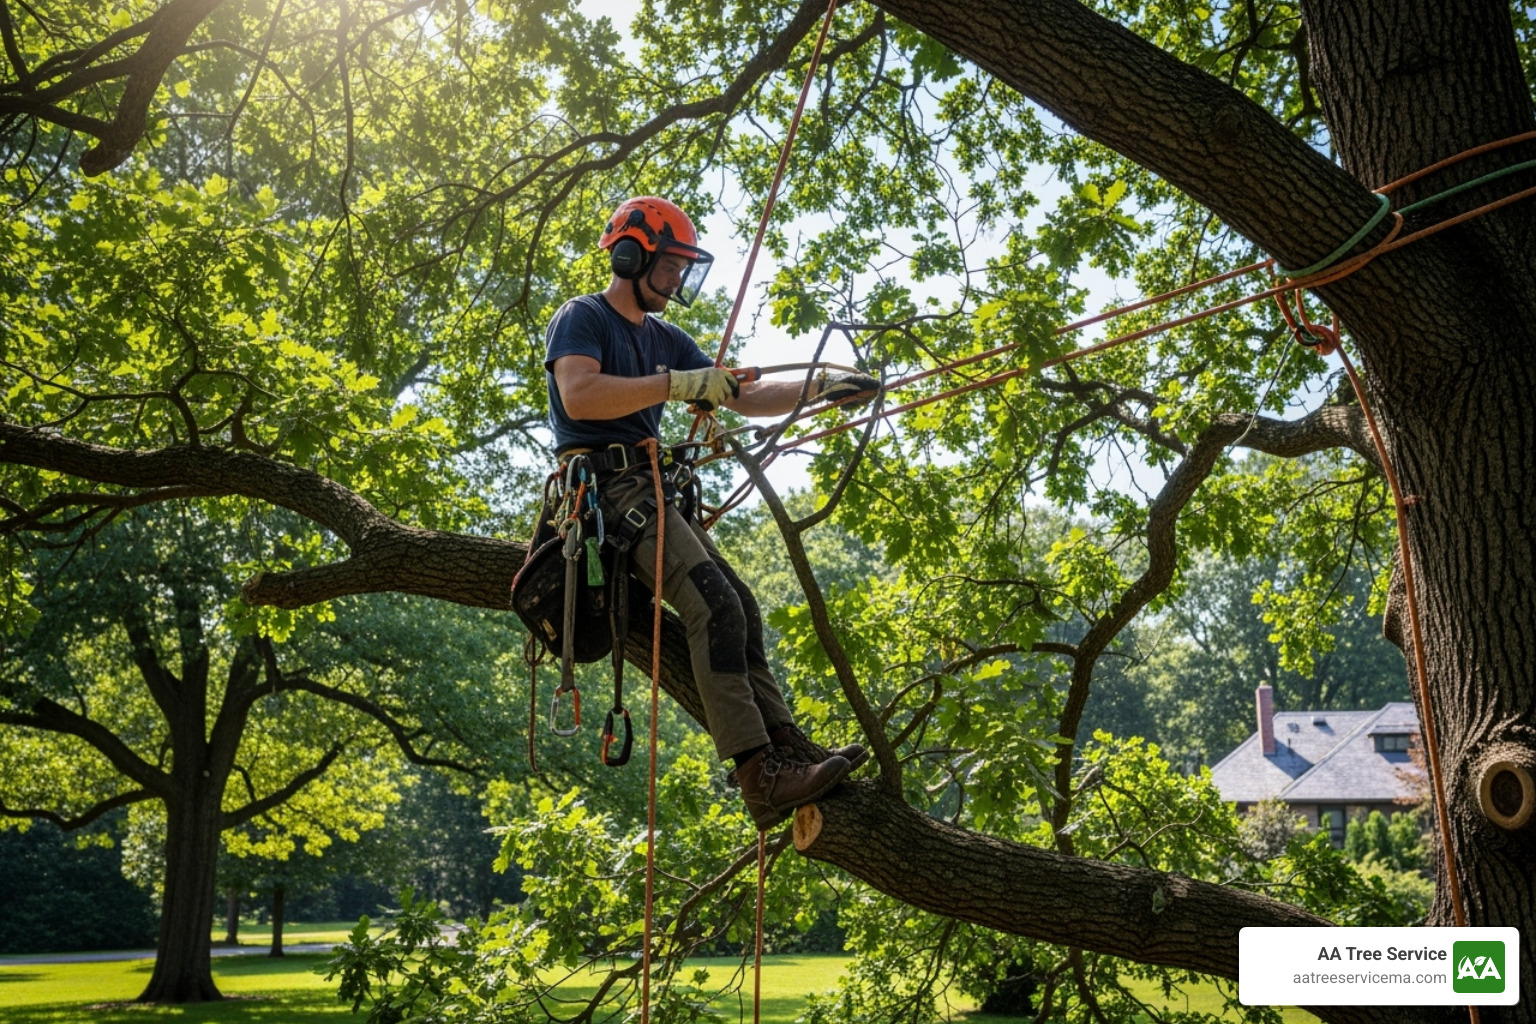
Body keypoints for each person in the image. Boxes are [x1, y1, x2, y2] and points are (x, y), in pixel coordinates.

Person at [543, 196, 879, 829]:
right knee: (712, 604)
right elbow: (580, 394)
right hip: (607, 491)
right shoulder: (582, 318)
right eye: (669, 267)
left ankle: (784, 753)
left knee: (740, 605)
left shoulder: (666, 337)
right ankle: (758, 777)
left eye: (681, 269)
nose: (676, 282)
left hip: (653, 488)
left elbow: (741, 390)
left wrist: (819, 386)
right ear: (629, 254)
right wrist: (677, 384)